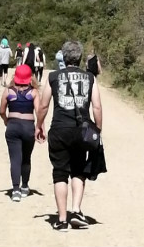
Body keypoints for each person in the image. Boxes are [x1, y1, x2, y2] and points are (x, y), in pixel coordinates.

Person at [36, 40, 103, 232]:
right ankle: (76, 210)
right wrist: (98, 130)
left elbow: (43, 105)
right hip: (82, 131)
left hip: (59, 129)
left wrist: (38, 125)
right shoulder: (90, 78)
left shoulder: (54, 77)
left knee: (60, 173)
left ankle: (62, 219)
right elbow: (96, 106)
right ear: (80, 58)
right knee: (78, 170)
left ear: (64, 57)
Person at [0, 64, 40, 202]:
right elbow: (39, 112)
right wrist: (40, 128)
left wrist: (6, 120)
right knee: (26, 158)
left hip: (13, 126)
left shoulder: (8, 91)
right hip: (28, 126)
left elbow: (1, 111)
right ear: (30, 78)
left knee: (15, 158)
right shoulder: (34, 92)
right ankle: (25, 186)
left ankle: (15, 190)